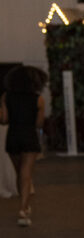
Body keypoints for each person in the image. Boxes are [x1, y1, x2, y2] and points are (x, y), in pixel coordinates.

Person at [0, 65, 48, 226]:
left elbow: (4, 120)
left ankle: (24, 206)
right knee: (26, 174)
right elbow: (39, 124)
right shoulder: (38, 99)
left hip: (12, 136)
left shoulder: (6, 97)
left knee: (18, 173)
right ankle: (23, 208)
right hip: (29, 137)